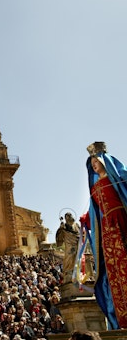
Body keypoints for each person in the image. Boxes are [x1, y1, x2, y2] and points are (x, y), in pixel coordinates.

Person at [79, 141, 127, 329]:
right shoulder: (95, 186)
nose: (94, 166)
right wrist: (85, 219)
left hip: (120, 221)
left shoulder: (118, 178)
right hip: (106, 229)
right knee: (113, 270)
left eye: (95, 162)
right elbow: (95, 213)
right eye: (92, 164)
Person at [56, 212, 80, 283]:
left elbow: (80, 233)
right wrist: (61, 228)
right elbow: (59, 235)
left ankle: (77, 271)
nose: (69, 218)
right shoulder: (64, 226)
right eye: (67, 217)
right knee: (70, 256)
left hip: (77, 242)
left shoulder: (76, 225)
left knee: (78, 256)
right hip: (69, 243)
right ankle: (68, 270)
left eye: (70, 216)